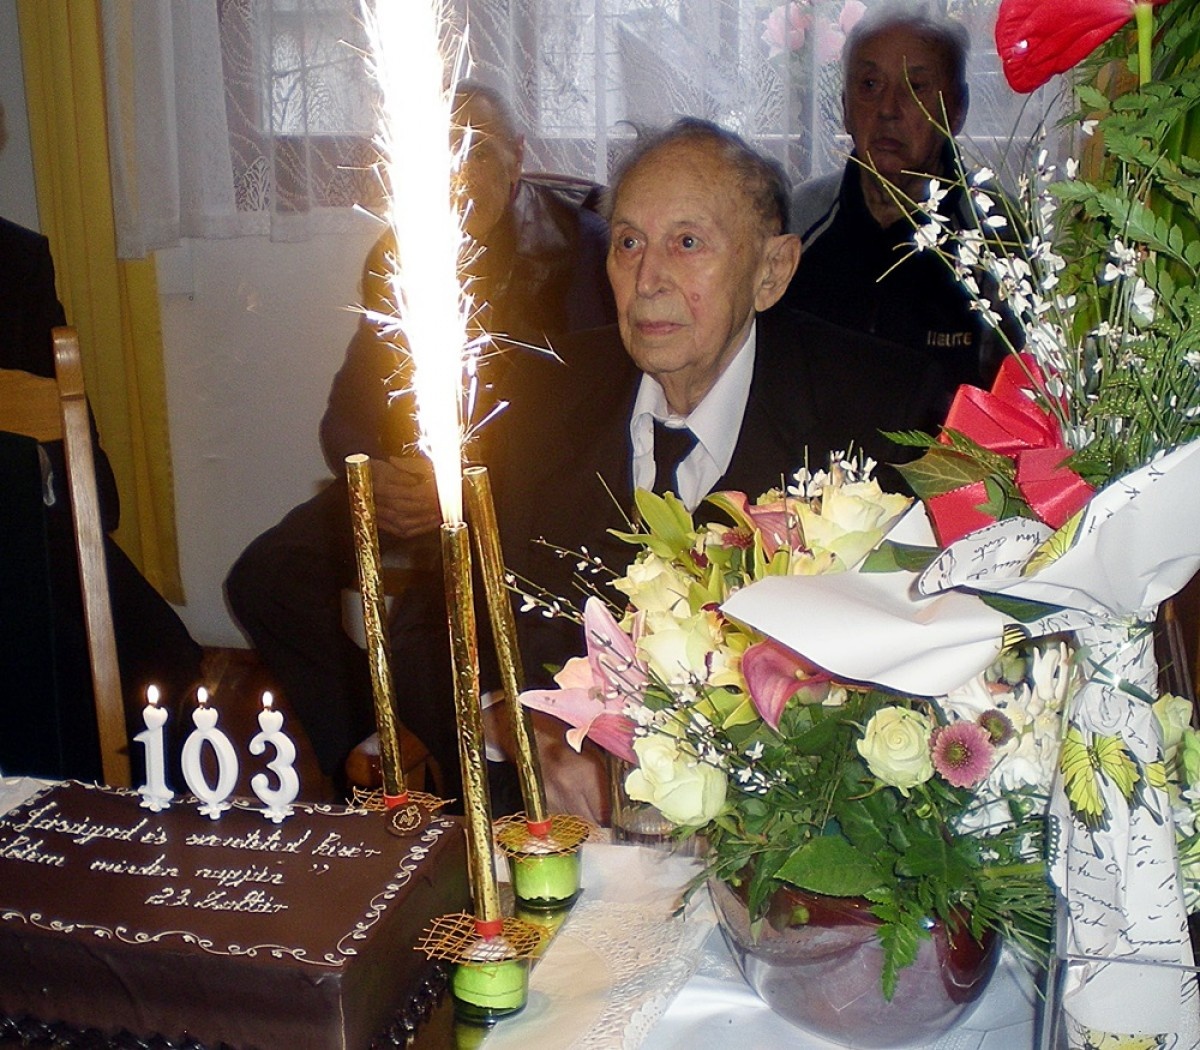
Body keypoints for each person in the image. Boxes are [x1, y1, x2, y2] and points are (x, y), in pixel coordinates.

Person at [441, 117, 948, 821]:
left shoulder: (882, 412)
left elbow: (918, 668)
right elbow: (443, 620)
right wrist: (514, 723)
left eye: (687, 243)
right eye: (628, 243)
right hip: (556, 833)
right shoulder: (539, 397)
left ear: (771, 272)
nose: (648, 280)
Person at [224, 80, 615, 798]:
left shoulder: (584, 254)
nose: (456, 174)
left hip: (520, 499)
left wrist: (457, 486)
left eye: (478, 152)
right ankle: (371, 747)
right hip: (404, 486)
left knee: (427, 637)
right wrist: (372, 475)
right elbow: (348, 409)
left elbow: (589, 423)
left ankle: (462, 772)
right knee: (266, 577)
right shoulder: (397, 256)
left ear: (518, 157)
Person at [0, 212, 204, 784]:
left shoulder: (16, 257)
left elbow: (69, 429)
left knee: (159, 662)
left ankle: (128, 819)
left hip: (23, 521)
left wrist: (46, 472)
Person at [780, 1, 1008, 411]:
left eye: (916, 87)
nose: (888, 109)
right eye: (870, 85)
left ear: (958, 108)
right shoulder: (796, 222)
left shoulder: (997, 235)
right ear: (845, 106)